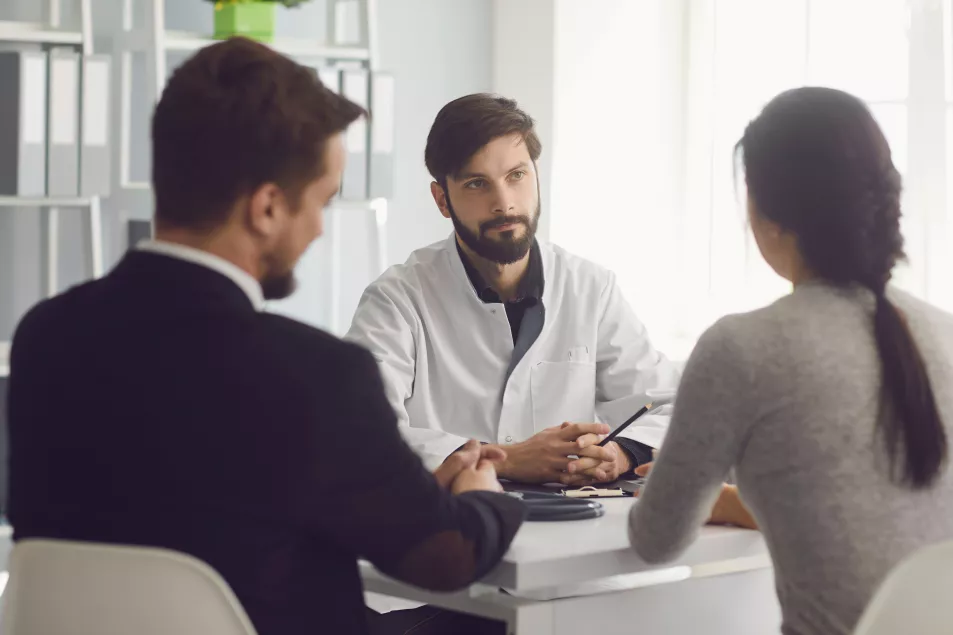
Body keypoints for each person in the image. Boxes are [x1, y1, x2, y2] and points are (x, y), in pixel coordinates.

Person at [5, 38, 525, 635]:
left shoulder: (47, 337)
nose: (317, 230)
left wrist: (398, 492)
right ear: (268, 208)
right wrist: (485, 493)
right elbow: (446, 556)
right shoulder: (315, 374)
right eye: (320, 202)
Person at [628, 86, 953, 635]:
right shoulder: (941, 332)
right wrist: (734, 501)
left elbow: (656, 540)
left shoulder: (741, 347)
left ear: (768, 216)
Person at [347, 94, 680, 488]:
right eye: (476, 184)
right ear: (442, 200)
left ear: (536, 175)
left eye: (516, 176)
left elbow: (667, 405)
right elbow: (358, 430)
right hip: (453, 525)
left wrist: (619, 453)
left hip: (576, 522)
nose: (504, 203)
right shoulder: (398, 299)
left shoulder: (591, 288)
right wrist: (503, 460)